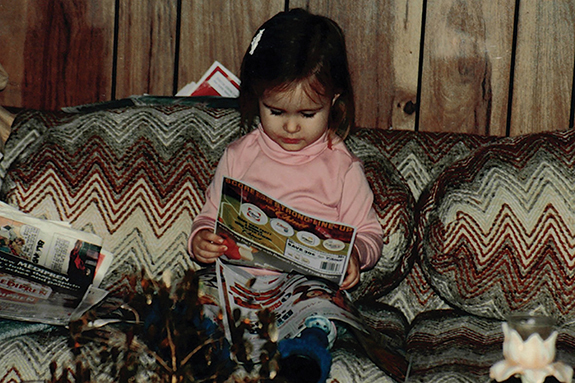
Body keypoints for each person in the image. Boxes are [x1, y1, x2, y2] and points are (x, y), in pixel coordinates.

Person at [188, 8, 383, 291]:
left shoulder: (342, 167)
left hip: (306, 290)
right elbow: (210, 215)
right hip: (237, 285)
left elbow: (370, 233)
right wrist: (201, 238)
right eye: (276, 111)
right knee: (188, 305)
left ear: (334, 99)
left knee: (322, 320)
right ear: (258, 97)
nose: (291, 127)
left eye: (307, 114)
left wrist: (356, 254)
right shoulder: (239, 155)